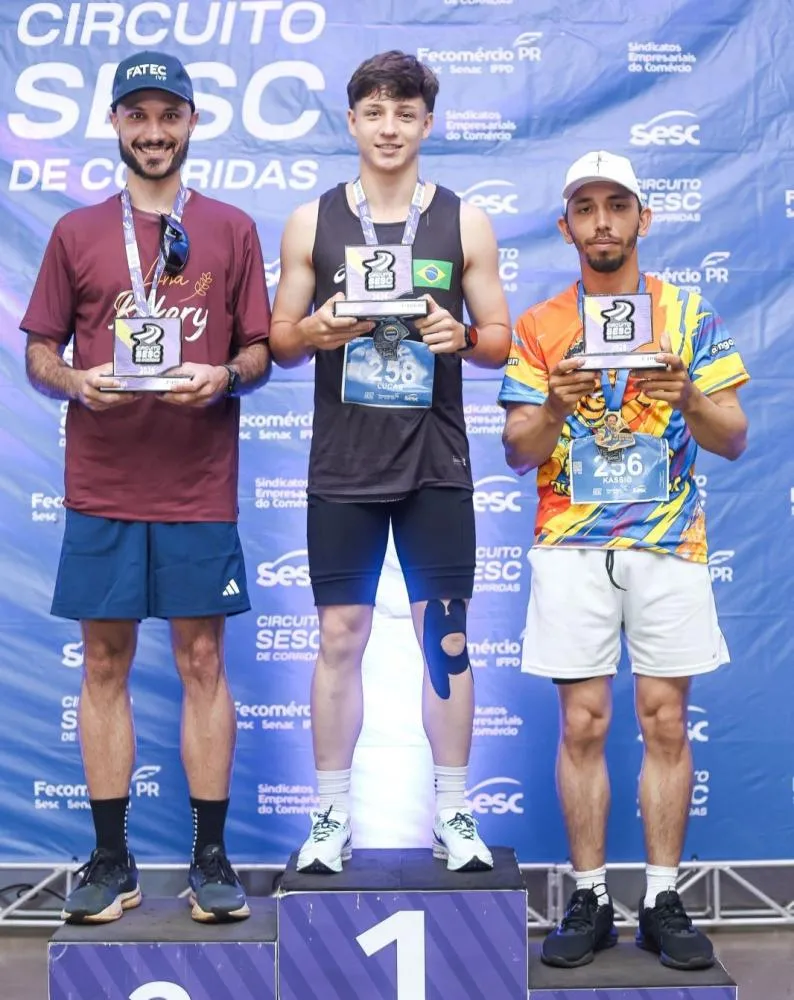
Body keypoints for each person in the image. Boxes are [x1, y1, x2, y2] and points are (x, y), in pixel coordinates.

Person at [21, 50, 271, 923]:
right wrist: (76, 381)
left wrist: (225, 377)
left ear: (192, 122)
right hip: (103, 484)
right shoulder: (76, 231)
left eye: (170, 115)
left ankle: (211, 857)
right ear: (116, 124)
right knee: (104, 664)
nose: (154, 132)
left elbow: (259, 350)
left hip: (198, 485)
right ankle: (111, 858)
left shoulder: (232, 228)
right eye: (138, 115)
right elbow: (39, 350)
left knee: (203, 662)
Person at [500, 151, 749, 970]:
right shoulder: (541, 324)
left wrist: (690, 397)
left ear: (644, 217)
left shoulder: (686, 314)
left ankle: (664, 898)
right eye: (586, 207)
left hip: (669, 541)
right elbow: (517, 450)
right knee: (583, 722)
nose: (602, 221)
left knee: (665, 720)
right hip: (572, 542)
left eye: (617, 205)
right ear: (565, 224)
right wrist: (552, 404)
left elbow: (733, 438)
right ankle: (590, 898)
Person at [269, 50, 511, 874]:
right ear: (352, 121)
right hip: (343, 463)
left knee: (447, 636)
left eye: (405, 114)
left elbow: (500, 339)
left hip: (435, 460)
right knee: (341, 635)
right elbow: (279, 340)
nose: (389, 127)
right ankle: (332, 812)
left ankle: (454, 810)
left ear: (426, 124)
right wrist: (314, 330)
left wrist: (463, 337)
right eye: (374, 112)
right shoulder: (310, 221)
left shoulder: (465, 221)